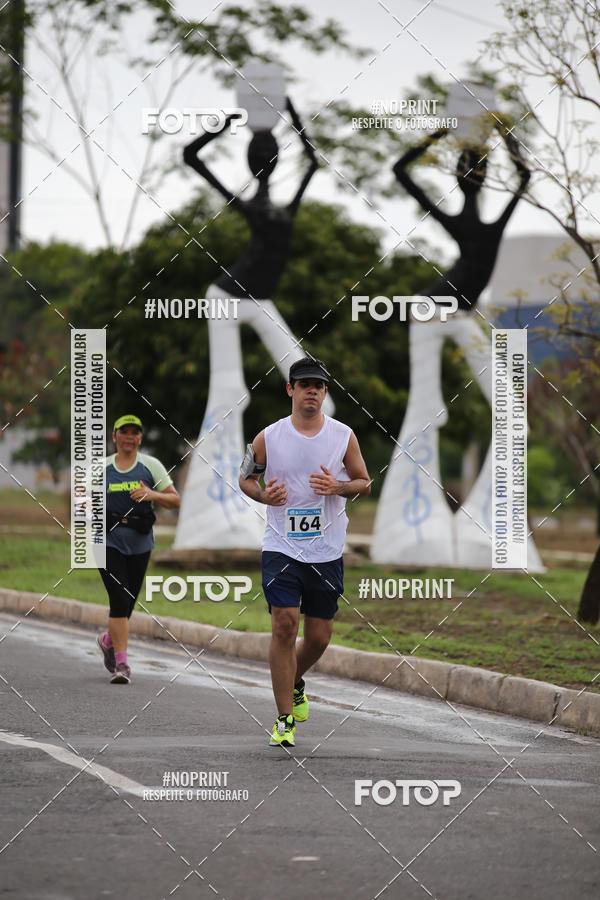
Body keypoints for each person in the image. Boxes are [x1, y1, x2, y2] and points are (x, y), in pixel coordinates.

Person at [239, 358, 371, 747]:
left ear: (325, 392)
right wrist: (263, 495)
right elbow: (245, 477)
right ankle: (283, 719)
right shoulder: (268, 437)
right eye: (304, 384)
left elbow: (364, 481)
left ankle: (295, 678)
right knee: (284, 624)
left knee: (319, 637)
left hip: (326, 550)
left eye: (318, 385)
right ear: (290, 390)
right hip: (281, 547)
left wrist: (339, 488)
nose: (311, 390)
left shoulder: (343, 436)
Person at [96, 415, 180, 684]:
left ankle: (108, 639)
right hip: (106, 542)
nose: (129, 437)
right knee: (119, 600)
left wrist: (152, 495)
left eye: (135, 432)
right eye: (124, 432)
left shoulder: (150, 466)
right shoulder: (101, 468)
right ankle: (122, 664)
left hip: (140, 543)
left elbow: (174, 499)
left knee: (128, 603)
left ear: (140, 438)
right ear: (114, 436)